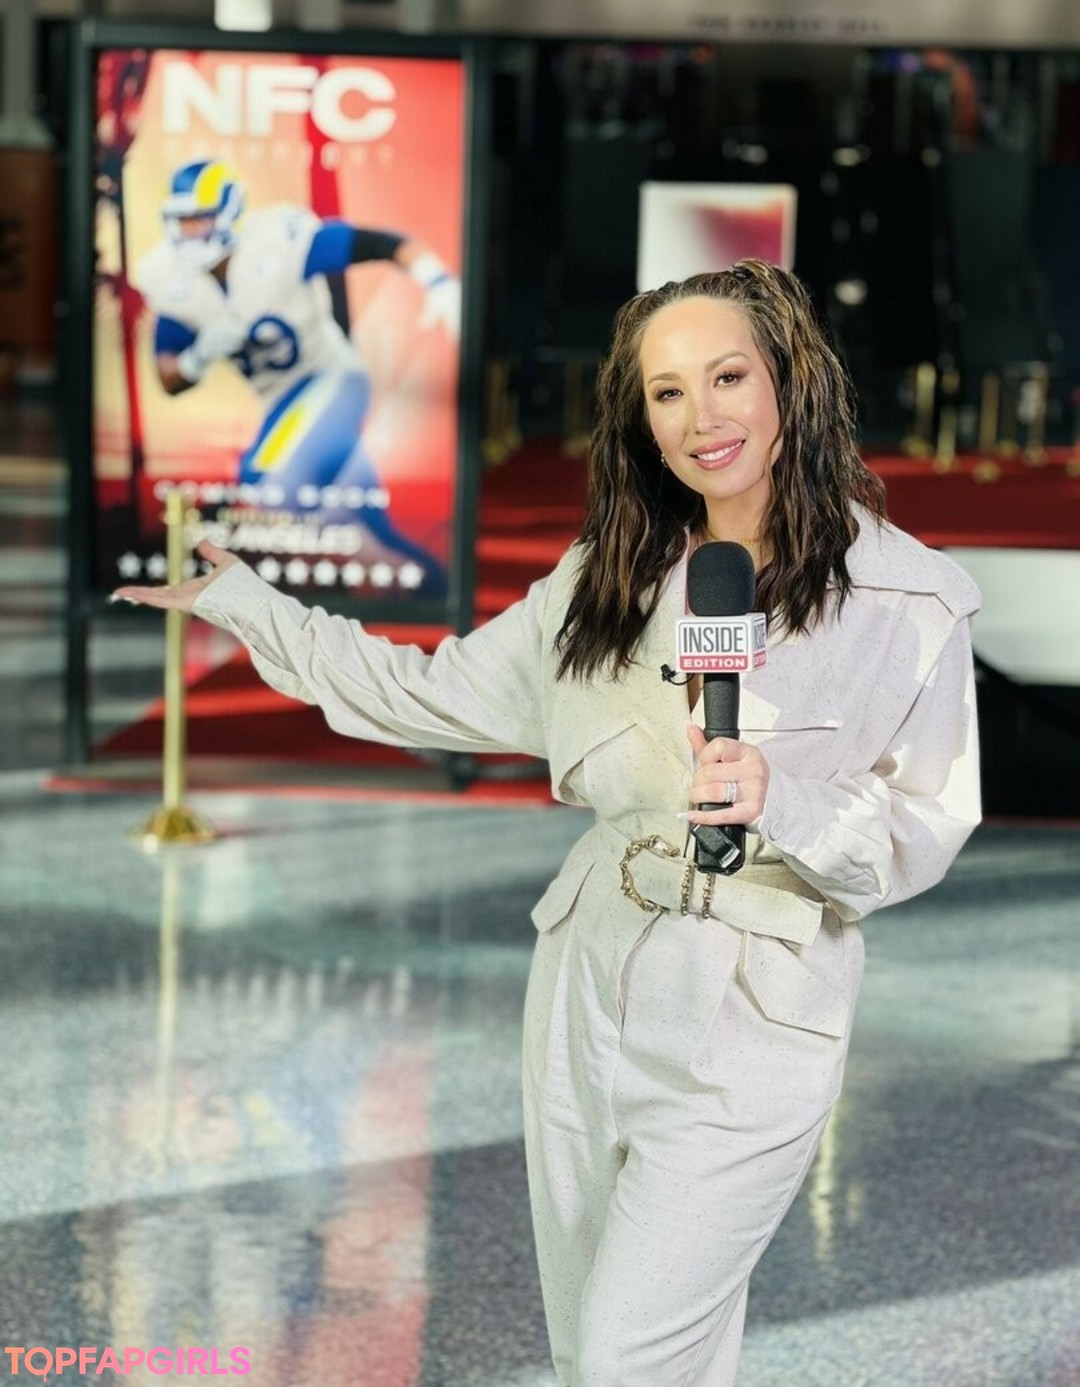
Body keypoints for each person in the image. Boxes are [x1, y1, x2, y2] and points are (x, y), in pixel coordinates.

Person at [114, 259, 981, 1385]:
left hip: (760, 1008)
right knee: (595, 1352)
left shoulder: (909, 599)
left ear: (791, 382)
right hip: (587, 972)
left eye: (728, 377)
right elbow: (429, 694)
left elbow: (927, 819)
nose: (702, 416)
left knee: (628, 1354)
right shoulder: (604, 577)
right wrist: (253, 607)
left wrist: (785, 797)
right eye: (667, 392)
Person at [135, 157, 460, 579]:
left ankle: (385, 572)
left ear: (229, 213)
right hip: (283, 409)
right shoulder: (173, 277)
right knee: (366, 527)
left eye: (201, 219)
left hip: (332, 380)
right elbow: (168, 377)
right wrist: (197, 357)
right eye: (183, 221)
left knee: (268, 481)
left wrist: (436, 280)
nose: (190, 232)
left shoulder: (275, 242)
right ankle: (427, 583)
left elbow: (381, 243)